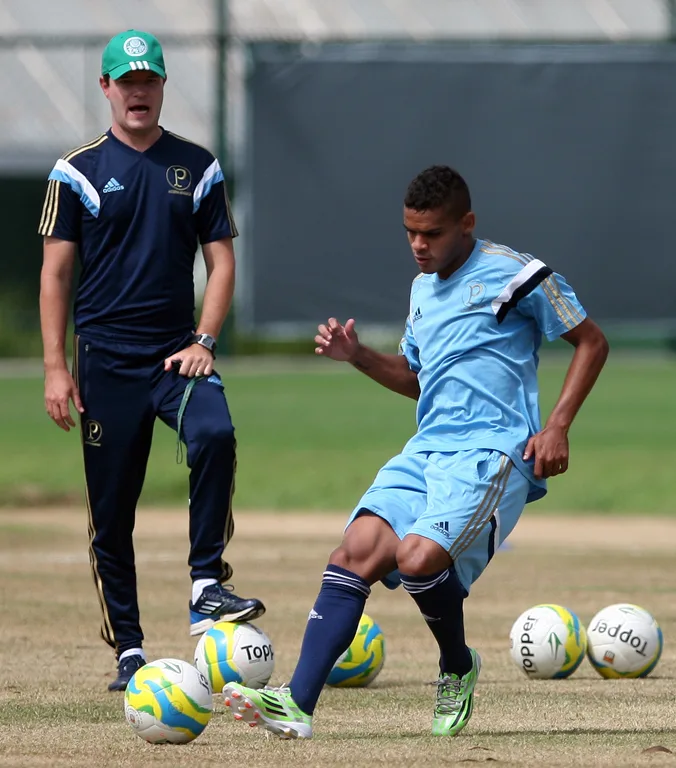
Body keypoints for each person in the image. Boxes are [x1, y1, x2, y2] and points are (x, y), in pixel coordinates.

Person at [222, 165, 609, 738]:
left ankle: (456, 664)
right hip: (427, 449)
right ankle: (297, 705)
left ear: (466, 223)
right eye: (410, 233)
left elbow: (591, 340)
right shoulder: (422, 287)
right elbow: (416, 376)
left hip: (491, 452)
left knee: (418, 558)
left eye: (431, 233)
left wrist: (556, 425)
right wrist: (358, 356)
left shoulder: (516, 274)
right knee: (355, 549)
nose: (419, 246)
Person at [38, 29, 264, 692]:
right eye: (125, 81)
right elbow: (54, 275)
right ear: (106, 88)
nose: (138, 92)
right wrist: (56, 367)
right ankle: (129, 650)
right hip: (105, 363)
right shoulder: (73, 172)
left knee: (216, 433)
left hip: (176, 357)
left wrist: (204, 340)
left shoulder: (197, 167)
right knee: (111, 514)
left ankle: (205, 583)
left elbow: (221, 264)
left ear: (162, 86)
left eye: (149, 80)